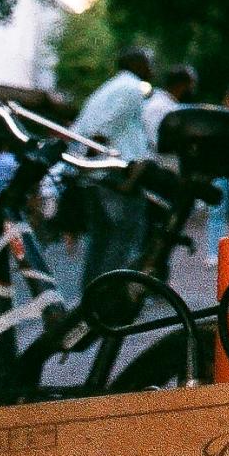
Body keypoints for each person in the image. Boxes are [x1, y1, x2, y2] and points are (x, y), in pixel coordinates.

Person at [71, 49, 156, 307]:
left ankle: (90, 294)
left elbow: (84, 126)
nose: (151, 68)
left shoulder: (106, 88)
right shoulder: (132, 89)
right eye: (148, 63)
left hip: (94, 173)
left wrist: (85, 163)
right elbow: (104, 127)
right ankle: (109, 296)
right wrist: (97, 152)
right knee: (124, 236)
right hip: (118, 170)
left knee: (100, 238)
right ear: (138, 65)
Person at [142, 64, 197, 167]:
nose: (192, 92)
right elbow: (157, 144)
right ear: (180, 86)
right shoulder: (162, 107)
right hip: (153, 168)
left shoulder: (163, 102)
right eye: (190, 87)